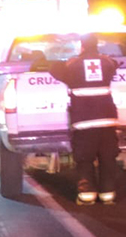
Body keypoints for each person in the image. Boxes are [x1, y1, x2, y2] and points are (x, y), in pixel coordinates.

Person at [49, 34, 121, 205]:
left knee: (84, 157)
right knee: (107, 157)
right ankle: (108, 194)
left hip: (84, 121)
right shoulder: (107, 62)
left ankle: (87, 194)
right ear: (97, 45)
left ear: (81, 46)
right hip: (107, 119)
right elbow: (115, 64)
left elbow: (55, 70)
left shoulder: (72, 64)